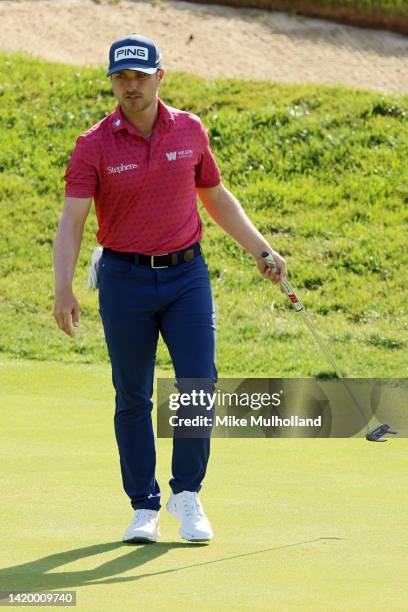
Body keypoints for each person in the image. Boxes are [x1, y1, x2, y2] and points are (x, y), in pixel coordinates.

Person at [53, 33, 286, 544]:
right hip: (124, 279)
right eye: (121, 77)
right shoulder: (93, 144)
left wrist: (262, 249)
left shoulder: (189, 130)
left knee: (197, 384)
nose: (130, 87)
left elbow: (216, 196)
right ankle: (144, 506)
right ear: (112, 81)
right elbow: (73, 221)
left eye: (140, 76)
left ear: (161, 77)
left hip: (186, 277)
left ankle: (187, 494)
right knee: (132, 394)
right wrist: (63, 288)